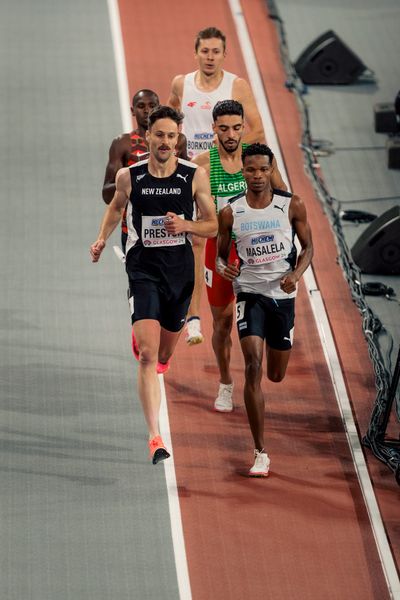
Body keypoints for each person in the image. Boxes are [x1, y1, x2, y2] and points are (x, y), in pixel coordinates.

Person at [90, 106, 217, 465]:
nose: (164, 142)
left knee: (163, 355)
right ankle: (154, 436)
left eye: (171, 136)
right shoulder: (130, 176)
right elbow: (116, 208)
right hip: (142, 270)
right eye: (158, 135)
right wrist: (101, 239)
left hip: (179, 275)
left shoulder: (195, 176)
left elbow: (213, 226)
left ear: (179, 139)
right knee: (147, 354)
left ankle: (157, 349)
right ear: (147, 137)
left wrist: (187, 227)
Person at [168, 26, 283, 345]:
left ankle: (266, 304)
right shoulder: (181, 83)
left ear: (224, 54)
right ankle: (192, 318)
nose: (209, 57)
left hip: (227, 169)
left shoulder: (237, 85)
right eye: (204, 51)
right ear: (195, 52)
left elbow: (257, 130)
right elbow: (169, 122)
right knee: (193, 241)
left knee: (242, 238)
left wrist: (223, 145)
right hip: (193, 175)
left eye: (215, 51)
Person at [216, 143, 313, 477]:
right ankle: (260, 451)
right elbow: (220, 254)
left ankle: (279, 345)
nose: (257, 176)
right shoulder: (231, 211)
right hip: (249, 294)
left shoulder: (291, 205)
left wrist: (296, 274)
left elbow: (308, 247)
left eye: (262, 169)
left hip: (282, 298)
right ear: (242, 171)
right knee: (253, 366)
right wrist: (223, 268)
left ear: (271, 170)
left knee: (275, 374)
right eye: (250, 169)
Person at [193, 100, 287, 413]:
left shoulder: (258, 160)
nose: (231, 134)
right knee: (222, 324)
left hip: (258, 250)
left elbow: (286, 201)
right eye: (223, 128)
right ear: (213, 129)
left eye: (236, 127)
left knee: (267, 316)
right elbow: (202, 220)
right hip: (220, 251)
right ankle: (225, 382)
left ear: (244, 126)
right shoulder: (203, 165)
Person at [102, 89, 187, 250]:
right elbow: (107, 194)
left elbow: (187, 182)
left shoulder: (179, 141)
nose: (147, 110)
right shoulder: (123, 144)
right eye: (141, 106)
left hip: (170, 226)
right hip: (135, 229)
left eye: (151, 105)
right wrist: (133, 180)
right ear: (132, 111)